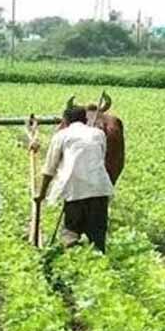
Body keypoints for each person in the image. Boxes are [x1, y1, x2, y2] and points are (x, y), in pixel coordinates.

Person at [35, 106, 114, 253]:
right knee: (97, 235)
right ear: (85, 119)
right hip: (100, 189)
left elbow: (49, 169)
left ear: (65, 121)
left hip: (75, 190)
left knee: (71, 231)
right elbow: (100, 158)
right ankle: (97, 261)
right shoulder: (99, 134)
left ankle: (73, 256)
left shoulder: (61, 135)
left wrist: (41, 194)